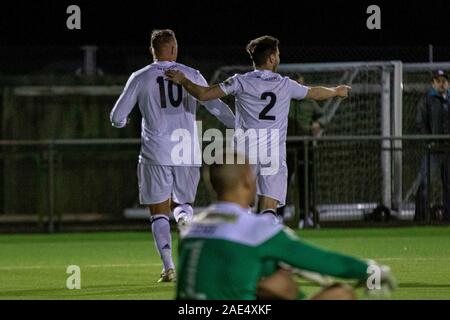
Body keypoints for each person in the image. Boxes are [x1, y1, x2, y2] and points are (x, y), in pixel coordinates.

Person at [165, 35, 350, 220]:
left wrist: (184, 81)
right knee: (269, 210)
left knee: (242, 207)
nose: (278, 58)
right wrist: (336, 91)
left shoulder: (241, 81)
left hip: (246, 154)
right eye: (277, 54)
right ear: (271, 58)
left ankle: (242, 242)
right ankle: (266, 243)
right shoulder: (285, 84)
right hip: (273, 155)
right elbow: (314, 92)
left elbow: (204, 94)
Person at [176, 152, 395, 300]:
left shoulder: (190, 229)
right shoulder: (256, 229)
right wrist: (372, 271)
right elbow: (327, 262)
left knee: (276, 280)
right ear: (246, 180)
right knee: (341, 294)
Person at [110, 29, 235, 282]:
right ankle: (186, 227)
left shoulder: (140, 77)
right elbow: (215, 106)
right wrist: (237, 125)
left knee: (158, 211)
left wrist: (123, 123)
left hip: (156, 151)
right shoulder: (191, 74)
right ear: (174, 49)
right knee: (183, 206)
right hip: (186, 149)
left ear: (152, 51)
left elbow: (116, 117)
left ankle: (168, 267)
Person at [283, 75, 330, 227]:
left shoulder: (309, 102)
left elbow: (323, 117)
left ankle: (306, 216)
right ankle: (278, 216)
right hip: (287, 146)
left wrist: (318, 123)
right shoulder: (284, 101)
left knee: (305, 182)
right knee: (282, 182)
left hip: (305, 146)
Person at [414, 69, 450, 222]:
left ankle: (448, 216)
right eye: (438, 80)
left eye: (444, 80)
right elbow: (420, 122)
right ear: (433, 83)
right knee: (424, 182)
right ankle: (421, 216)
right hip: (433, 150)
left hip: (449, 149)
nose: (442, 83)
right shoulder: (427, 100)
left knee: (449, 184)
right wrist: (430, 141)